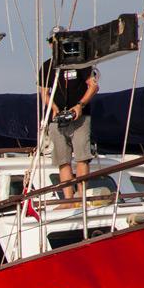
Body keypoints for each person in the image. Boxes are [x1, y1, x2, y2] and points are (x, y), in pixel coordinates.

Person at [38, 26, 99, 200]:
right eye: (53, 41)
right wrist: (54, 109)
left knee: (82, 157)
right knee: (62, 160)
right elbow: (44, 92)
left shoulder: (80, 62)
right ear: (50, 44)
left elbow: (93, 86)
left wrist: (80, 105)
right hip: (57, 119)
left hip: (80, 116)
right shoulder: (47, 67)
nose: (55, 44)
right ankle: (68, 199)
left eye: (60, 40)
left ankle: (81, 196)